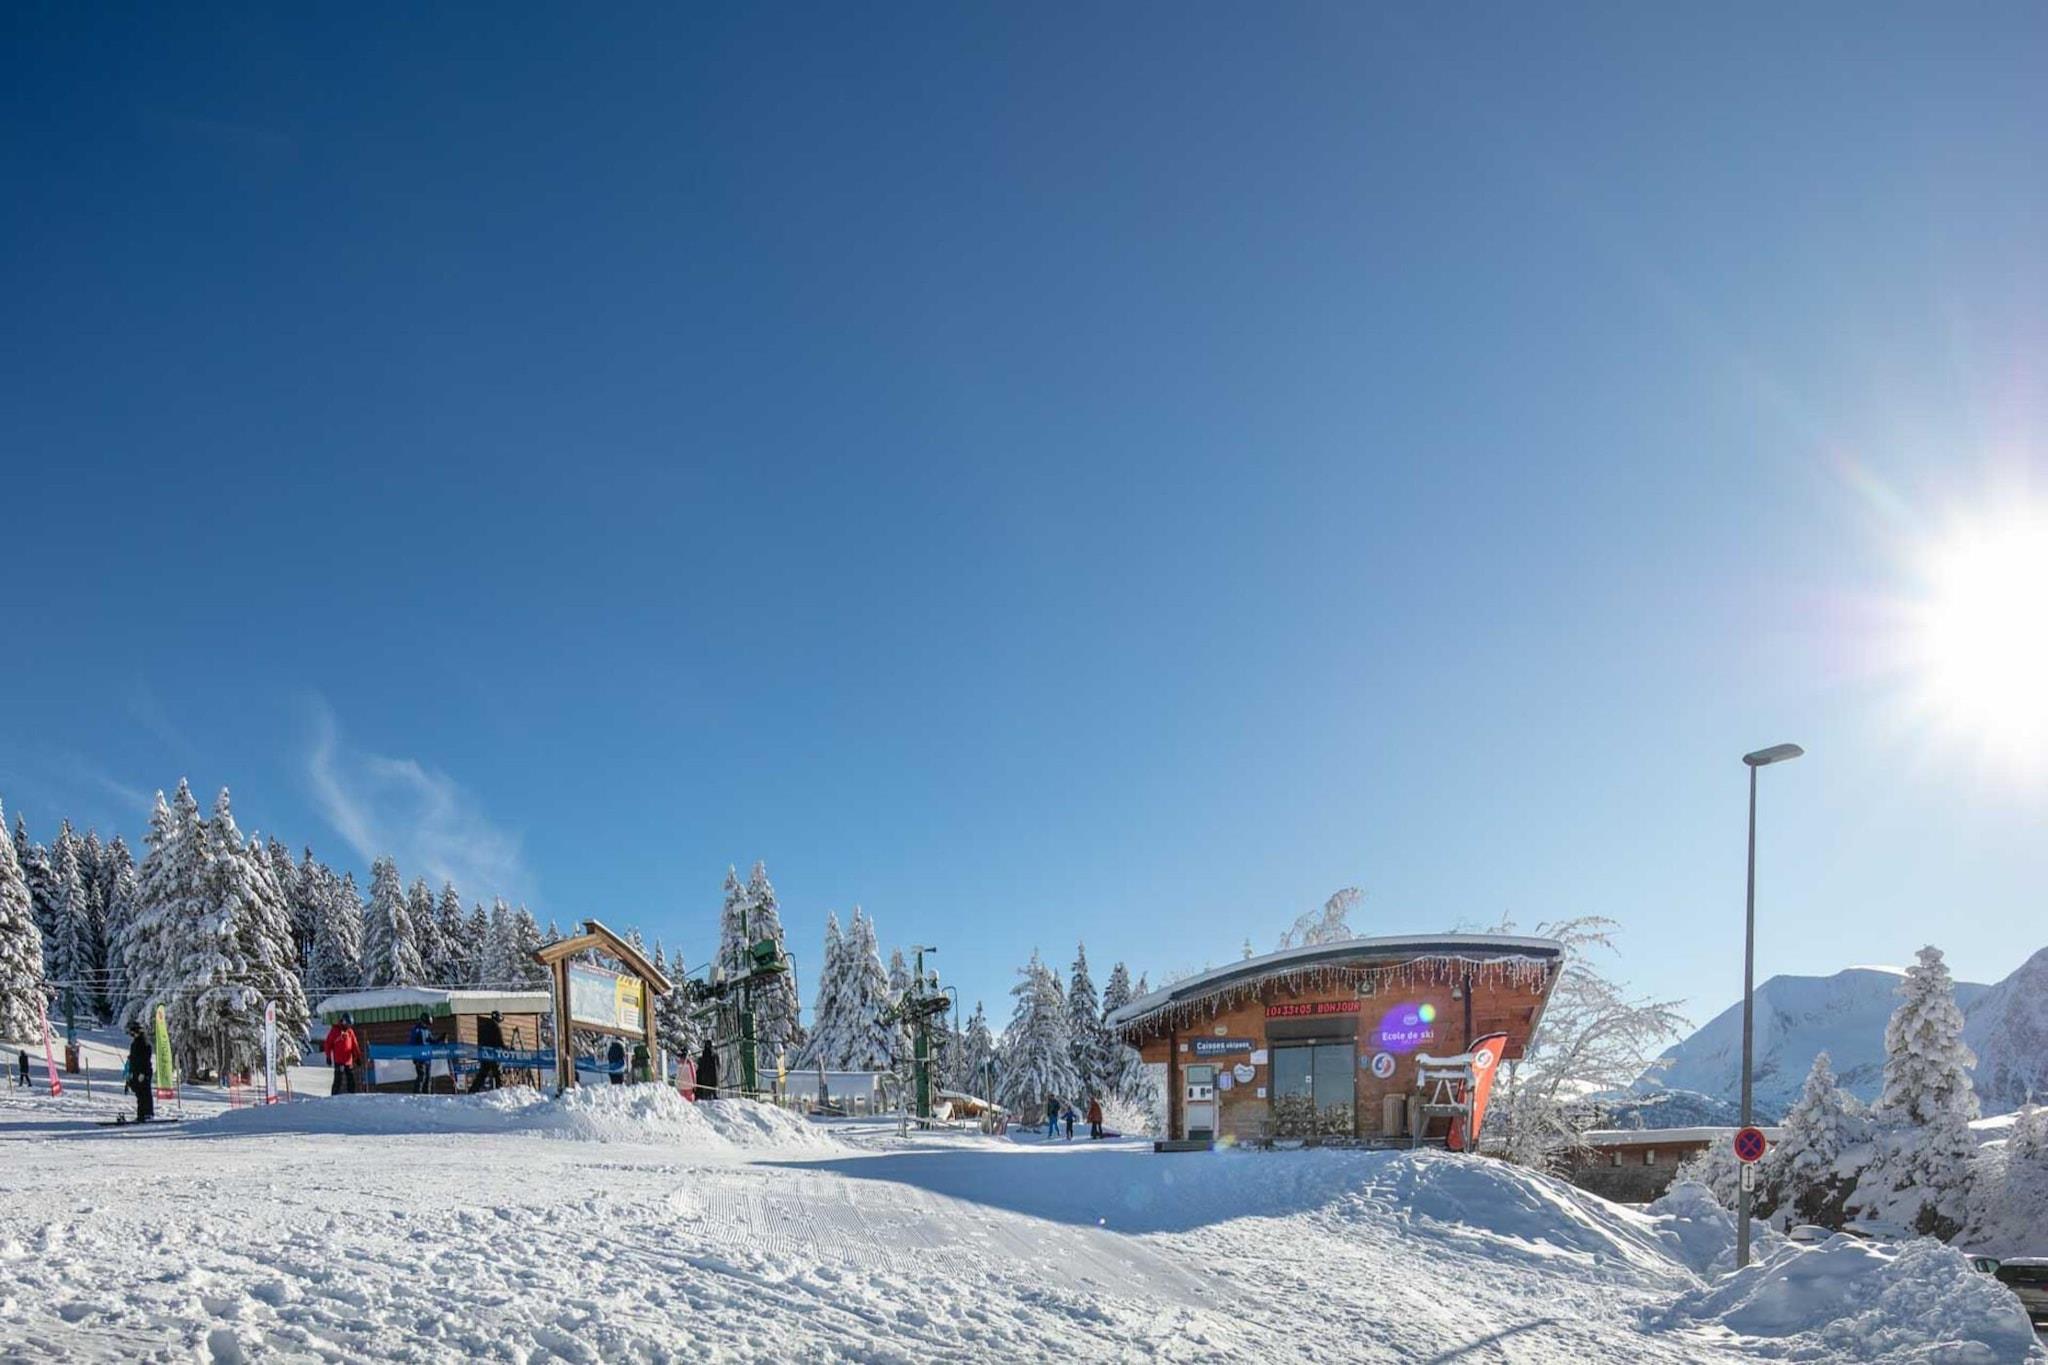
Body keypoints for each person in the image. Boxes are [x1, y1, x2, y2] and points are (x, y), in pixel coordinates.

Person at [124, 1022, 154, 1123]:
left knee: (144, 1093)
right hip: (136, 1071)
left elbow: (145, 1059)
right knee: (139, 1093)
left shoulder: (144, 1043)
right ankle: (141, 1114)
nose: (132, 1035)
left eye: (134, 1032)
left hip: (143, 1072)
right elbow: (133, 1058)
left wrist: (143, 1073)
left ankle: (147, 1114)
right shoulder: (135, 1043)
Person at [327, 1014, 362, 1095]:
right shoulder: (335, 1031)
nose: (348, 1026)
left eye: (350, 1025)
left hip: (348, 1061)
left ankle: (351, 1095)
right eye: (347, 1024)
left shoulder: (350, 1032)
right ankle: (334, 1096)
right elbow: (328, 1044)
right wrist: (328, 1057)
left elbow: (354, 1045)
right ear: (344, 1022)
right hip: (339, 1061)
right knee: (338, 1080)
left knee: (351, 1079)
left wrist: (357, 1057)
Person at [471, 1010, 505, 1092]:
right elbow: (499, 1040)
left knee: (483, 1073)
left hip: (485, 1053)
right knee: (497, 1073)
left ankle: (473, 1089)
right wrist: (505, 1048)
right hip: (493, 1053)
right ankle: (500, 1089)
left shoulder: (485, 1026)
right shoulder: (496, 1027)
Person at [408, 1012, 438, 1094]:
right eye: (426, 1024)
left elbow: (432, 1041)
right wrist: (415, 1058)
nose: (427, 1026)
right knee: (422, 1076)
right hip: (420, 1058)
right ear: (422, 1021)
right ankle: (417, 1094)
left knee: (428, 1077)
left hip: (427, 1057)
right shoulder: (416, 1030)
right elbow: (412, 1044)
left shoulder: (427, 1030)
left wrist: (440, 1039)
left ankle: (427, 1095)